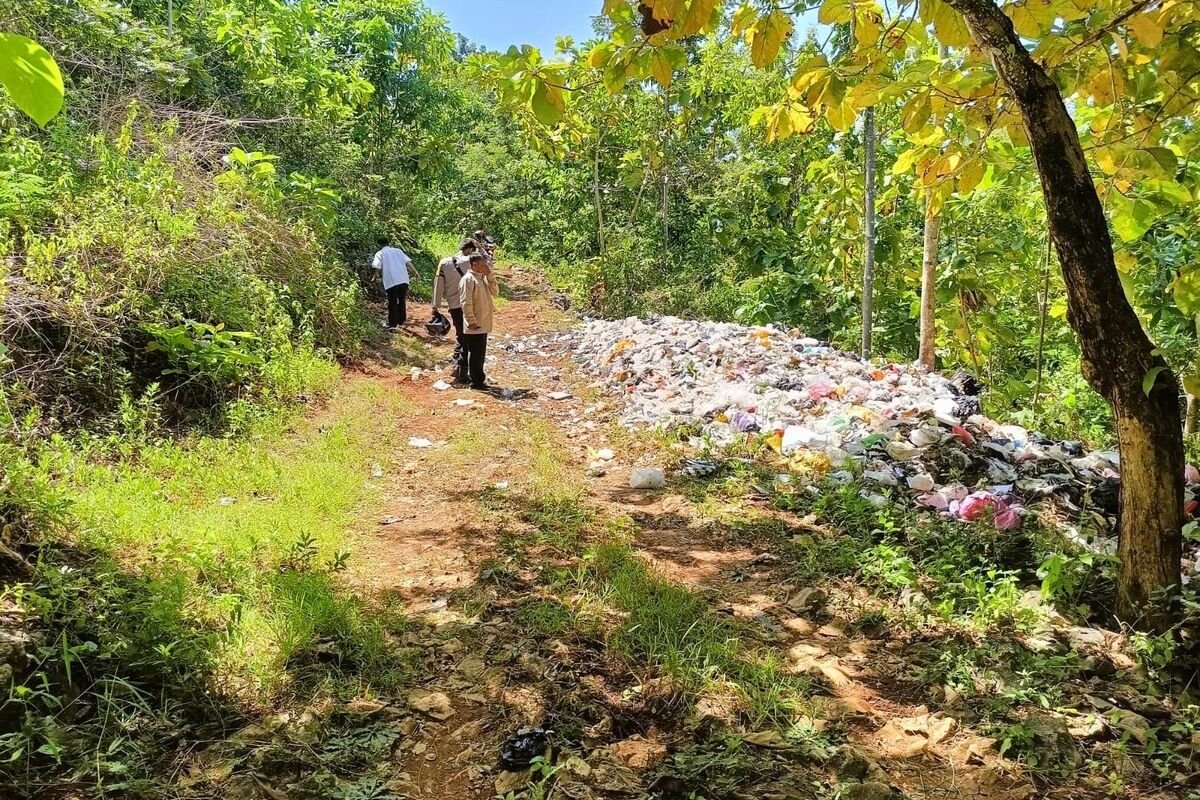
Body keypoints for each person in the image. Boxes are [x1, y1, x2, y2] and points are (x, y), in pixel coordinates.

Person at [432, 239, 477, 382]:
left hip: (455, 305)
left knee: (460, 335)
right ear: (471, 249)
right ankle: (463, 370)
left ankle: (459, 365)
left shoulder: (444, 263)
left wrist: (435, 305)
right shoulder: (472, 260)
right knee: (472, 337)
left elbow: (438, 285)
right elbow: (488, 263)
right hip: (472, 303)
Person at [459, 252, 500, 390]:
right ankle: (475, 382)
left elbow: (495, 292)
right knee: (476, 353)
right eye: (483, 264)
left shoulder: (481, 278)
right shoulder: (468, 280)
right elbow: (466, 302)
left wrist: (490, 275)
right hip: (475, 323)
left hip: (483, 322)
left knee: (480, 353)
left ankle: (479, 379)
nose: (485, 266)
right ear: (474, 264)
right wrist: (471, 320)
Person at [372, 236, 420, 330]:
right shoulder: (398, 251)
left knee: (392, 302)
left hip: (391, 281)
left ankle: (392, 325)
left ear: (379, 245)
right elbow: (408, 263)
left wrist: (375, 276)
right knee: (402, 300)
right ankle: (401, 321)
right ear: (388, 243)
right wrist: (416, 273)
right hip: (403, 279)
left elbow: (377, 266)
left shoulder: (380, 253)